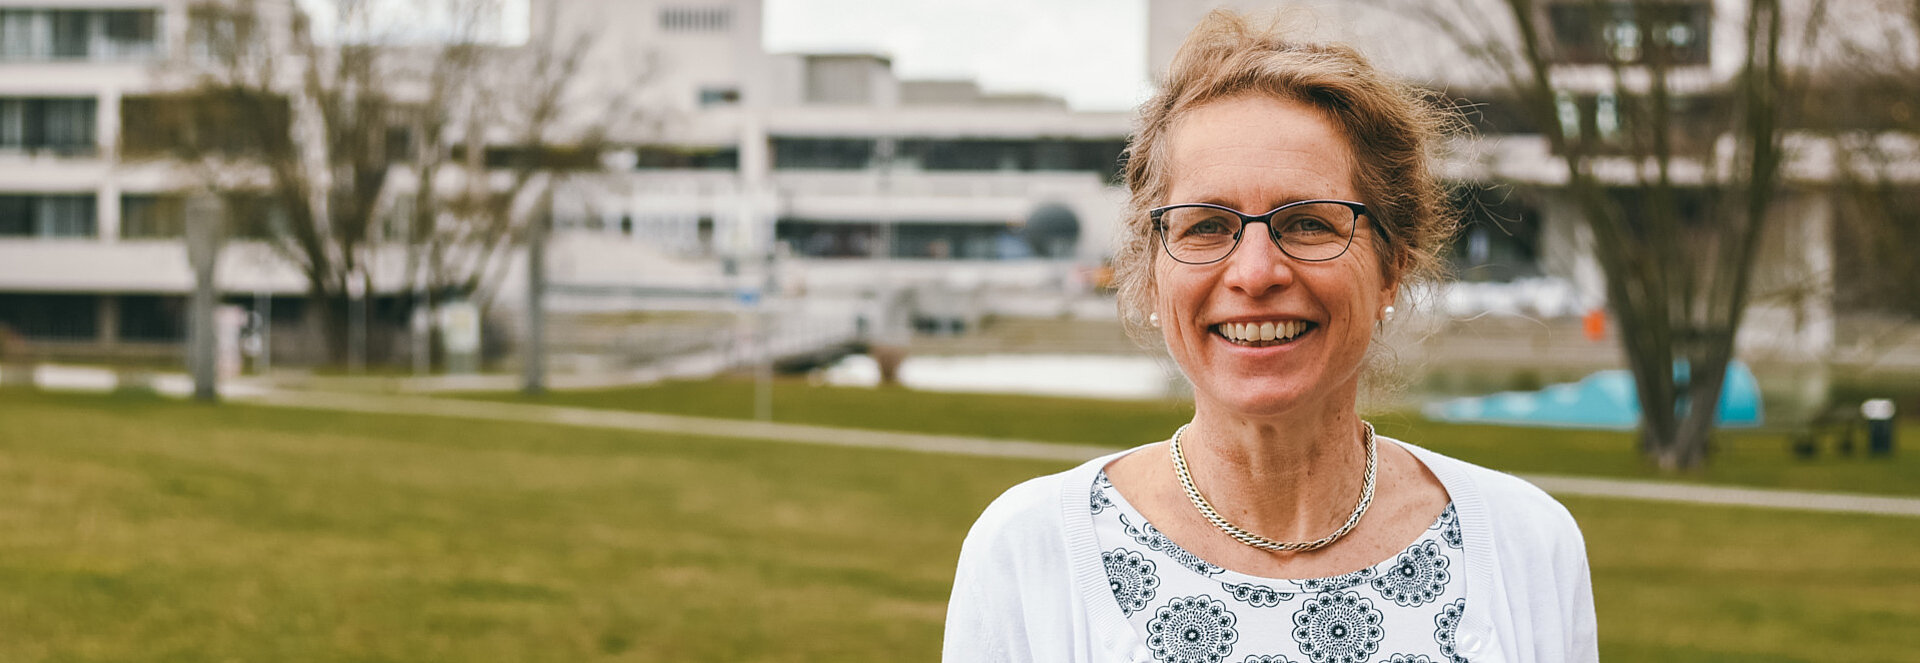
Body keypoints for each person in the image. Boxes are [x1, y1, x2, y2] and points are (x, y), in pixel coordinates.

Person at [942, 11, 1597, 663]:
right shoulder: (1032, 555)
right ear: (1151, 272)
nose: (1256, 273)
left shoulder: (1525, 547)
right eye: (1206, 225)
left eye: (1308, 222)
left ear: (1391, 266)